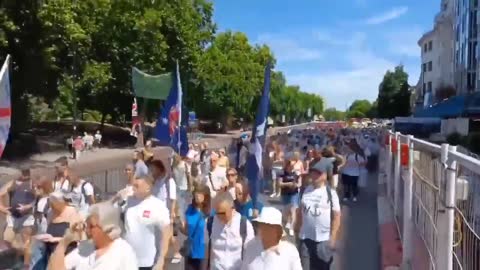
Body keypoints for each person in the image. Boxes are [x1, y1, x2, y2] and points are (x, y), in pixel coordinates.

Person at [48, 202, 138, 270]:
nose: (87, 230)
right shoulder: (85, 248)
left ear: (107, 228)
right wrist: (64, 242)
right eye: (86, 225)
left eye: (91, 226)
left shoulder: (124, 253)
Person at [295, 162, 341, 270]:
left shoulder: (331, 193)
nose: (315, 176)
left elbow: (337, 217)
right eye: (313, 173)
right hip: (305, 238)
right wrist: (297, 230)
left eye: (318, 173)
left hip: (323, 240)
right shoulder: (306, 190)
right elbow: (300, 212)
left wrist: (333, 238)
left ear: (325, 176)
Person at [123, 174, 171, 270]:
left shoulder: (157, 206)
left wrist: (161, 259)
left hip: (146, 263)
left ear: (147, 188)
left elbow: (167, 232)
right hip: (126, 261)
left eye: (137, 186)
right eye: (133, 185)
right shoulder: (128, 202)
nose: (133, 188)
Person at [30, 190, 83, 269]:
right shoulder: (51, 213)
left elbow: (77, 237)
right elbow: (48, 228)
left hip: (67, 255)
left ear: (61, 202)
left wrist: (56, 239)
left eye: (54, 204)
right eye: (51, 204)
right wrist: (44, 237)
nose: (52, 207)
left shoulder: (72, 212)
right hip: (50, 254)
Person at [208, 192, 255, 270]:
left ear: (232, 209)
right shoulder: (210, 223)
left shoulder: (244, 224)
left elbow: (251, 251)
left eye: (223, 213)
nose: (219, 216)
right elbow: (206, 249)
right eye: (217, 213)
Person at [0, 168, 36, 266]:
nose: (26, 175)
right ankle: (14, 258)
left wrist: (28, 206)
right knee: (6, 241)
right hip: (13, 217)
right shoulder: (12, 183)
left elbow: (38, 198)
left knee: (27, 242)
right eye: (24, 172)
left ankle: (26, 265)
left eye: (27, 172)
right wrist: (3, 209)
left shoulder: (32, 183)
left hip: (26, 218)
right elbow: (0, 194)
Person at [180, 184, 212, 270]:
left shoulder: (210, 212)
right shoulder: (190, 209)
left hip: (204, 251)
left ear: (206, 195)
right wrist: (181, 227)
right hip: (191, 250)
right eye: (196, 193)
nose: (197, 196)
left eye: (200, 193)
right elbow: (186, 230)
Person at [278, 159, 301, 236]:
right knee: (285, 213)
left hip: (294, 194)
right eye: (290, 166)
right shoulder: (282, 173)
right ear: (287, 166)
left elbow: (299, 183)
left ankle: (291, 228)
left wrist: (296, 185)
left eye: (293, 166)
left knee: (293, 211)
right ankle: (283, 227)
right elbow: (280, 184)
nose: (292, 167)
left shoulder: (296, 174)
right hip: (285, 194)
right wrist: (289, 184)